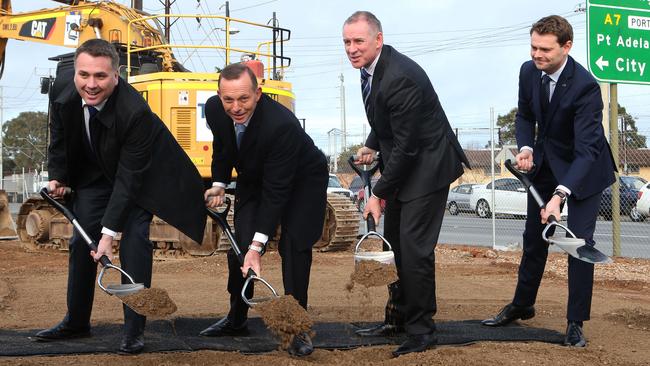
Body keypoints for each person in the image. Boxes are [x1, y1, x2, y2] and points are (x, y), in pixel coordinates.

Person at [36, 39, 206, 354]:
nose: (90, 84)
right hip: (94, 174)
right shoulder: (64, 87)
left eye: (100, 76)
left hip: (140, 177)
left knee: (134, 240)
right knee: (79, 241)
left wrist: (108, 234)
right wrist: (57, 176)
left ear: (116, 75)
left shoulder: (134, 112)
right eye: (84, 74)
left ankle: (133, 330)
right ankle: (76, 322)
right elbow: (58, 136)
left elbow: (128, 179)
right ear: (75, 71)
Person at [481, 15, 616, 348]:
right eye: (533, 47)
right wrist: (526, 147)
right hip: (545, 163)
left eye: (544, 49)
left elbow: (586, 151)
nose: (536, 55)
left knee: (579, 245)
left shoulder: (585, 86)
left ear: (566, 47)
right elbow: (525, 114)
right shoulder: (529, 72)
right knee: (534, 238)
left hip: (585, 169)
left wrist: (559, 196)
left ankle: (575, 322)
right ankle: (523, 304)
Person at [342, 11, 470, 357]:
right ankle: (397, 318)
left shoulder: (399, 77)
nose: (352, 49)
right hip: (406, 162)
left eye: (358, 42)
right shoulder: (370, 69)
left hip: (427, 168)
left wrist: (377, 195)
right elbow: (384, 115)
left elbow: (409, 147)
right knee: (394, 244)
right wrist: (372, 142)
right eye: (347, 42)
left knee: (413, 251)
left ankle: (421, 331)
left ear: (378, 40)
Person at [200, 63, 328, 357]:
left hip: (302, 180)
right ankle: (236, 318)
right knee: (239, 248)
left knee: (294, 246)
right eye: (228, 99)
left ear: (258, 94)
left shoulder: (280, 125)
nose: (236, 107)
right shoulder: (215, 109)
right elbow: (223, 146)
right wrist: (219, 183)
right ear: (219, 95)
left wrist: (258, 247)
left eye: (243, 99)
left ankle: (297, 328)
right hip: (255, 178)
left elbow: (277, 192)